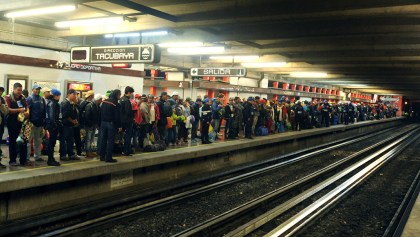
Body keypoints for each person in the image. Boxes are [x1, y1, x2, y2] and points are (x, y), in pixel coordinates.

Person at [5, 83, 29, 166]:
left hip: (22, 123)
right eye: (18, 90)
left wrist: (26, 113)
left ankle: (23, 160)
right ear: (14, 89)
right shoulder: (8, 98)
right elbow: (8, 110)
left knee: (24, 141)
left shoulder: (23, 98)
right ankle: (12, 161)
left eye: (21, 90)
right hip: (12, 122)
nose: (20, 92)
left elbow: (27, 107)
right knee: (13, 142)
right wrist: (19, 110)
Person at [99, 90, 122, 163]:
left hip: (103, 123)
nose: (120, 96)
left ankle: (102, 156)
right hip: (111, 124)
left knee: (103, 140)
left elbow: (100, 112)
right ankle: (108, 157)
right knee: (110, 141)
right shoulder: (116, 104)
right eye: (119, 95)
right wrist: (119, 126)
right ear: (117, 95)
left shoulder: (104, 101)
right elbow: (117, 116)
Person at [26, 84, 47, 162]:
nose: (38, 90)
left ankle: (37, 156)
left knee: (38, 141)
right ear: (32, 90)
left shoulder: (42, 99)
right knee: (28, 141)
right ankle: (27, 158)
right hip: (31, 124)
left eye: (38, 89)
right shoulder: (29, 99)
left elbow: (45, 111)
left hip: (40, 123)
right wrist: (28, 122)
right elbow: (27, 111)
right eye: (36, 89)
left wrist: (44, 122)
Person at [60, 89, 80, 161]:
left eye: (75, 95)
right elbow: (65, 115)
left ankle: (71, 154)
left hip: (70, 125)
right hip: (65, 125)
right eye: (74, 94)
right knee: (64, 140)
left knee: (70, 140)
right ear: (69, 94)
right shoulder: (65, 103)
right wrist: (73, 121)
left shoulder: (71, 103)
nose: (75, 96)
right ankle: (63, 155)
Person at [45, 89, 62, 166]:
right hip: (52, 126)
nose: (59, 97)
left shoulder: (50, 102)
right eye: (59, 96)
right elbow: (52, 116)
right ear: (56, 95)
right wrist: (56, 125)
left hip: (50, 125)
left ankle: (51, 158)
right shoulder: (53, 103)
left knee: (51, 143)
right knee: (51, 143)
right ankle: (50, 160)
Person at [83, 92, 101, 157]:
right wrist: (90, 125)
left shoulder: (97, 106)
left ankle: (90, 151)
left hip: (93, 125)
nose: (101, 101)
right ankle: (87, 152)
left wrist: (96, 124)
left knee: (91, 139)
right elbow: (87, 116)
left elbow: (97, 116)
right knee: (88, 139)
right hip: (89, 125)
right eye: (100, 99)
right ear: (98, 99)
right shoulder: (89, 105)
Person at [119, 86, 135, 156]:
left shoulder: (121, 99)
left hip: (122, 121)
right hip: (128, 122)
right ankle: (126, 151)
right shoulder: (127, 101)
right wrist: (133, 114)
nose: (132, 95)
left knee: (122, 137)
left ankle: (123, 150)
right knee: (128, 137)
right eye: (131, 93)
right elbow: (128, 112)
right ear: (128, 92)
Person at [0, 87, 8, 168]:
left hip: (1, 124)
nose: (0, 92)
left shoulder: (2, 99)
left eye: (1, 91)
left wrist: (1, 105)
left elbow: (6, 111)